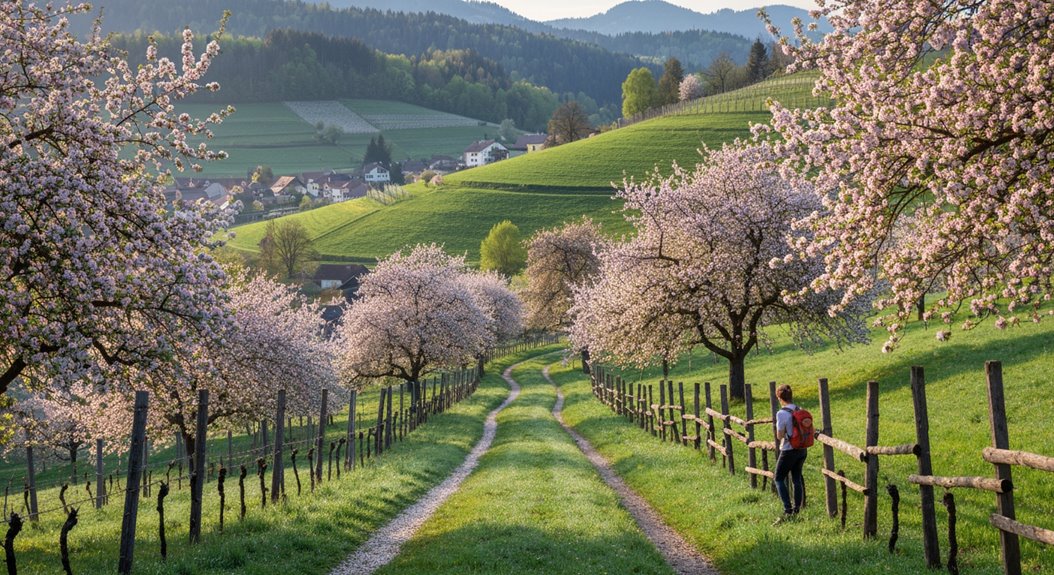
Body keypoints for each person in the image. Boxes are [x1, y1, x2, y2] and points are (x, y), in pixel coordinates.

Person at [773, 384, 806, 524]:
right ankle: (797, 508)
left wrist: (782, 433)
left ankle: (788, 509)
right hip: (802, 449)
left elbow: (780, 435)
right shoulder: (799, 409)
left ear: (779, 398)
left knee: (778, 478)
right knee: (796, 478)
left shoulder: (781, 413)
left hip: (788, 450)